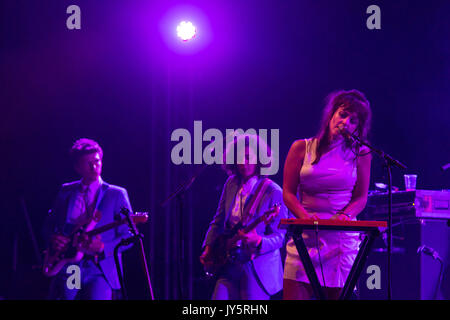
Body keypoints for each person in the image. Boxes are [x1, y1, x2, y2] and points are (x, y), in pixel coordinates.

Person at [282, 89, 372, 300]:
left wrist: (345, 216)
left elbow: (361, 198)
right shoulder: (300, 147)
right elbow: (288, 192)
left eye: (353, 120)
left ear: (358, 127)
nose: (346, 122)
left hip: (340, 238)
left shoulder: (361, 153)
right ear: (331, 114)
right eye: (343, 114)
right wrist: (303, 216)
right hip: (305, 235)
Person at [200, 134, 288, 300]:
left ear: (259, 159)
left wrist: (260, 241)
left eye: (248, 157)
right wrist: (208, 247)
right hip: (229, 260)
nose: (243, 162)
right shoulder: (231, 184)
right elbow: (218, 220)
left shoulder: (273, 191)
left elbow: (280, 237)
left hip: (257, 266)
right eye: (239, 157)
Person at [44, 138, 133, 300]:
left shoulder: (116, 194)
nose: (94, 167)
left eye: (97, 161)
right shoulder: (66, 191)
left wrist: (104, 247)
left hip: (100, 268)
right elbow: (49, 225)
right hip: (71, 265)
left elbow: (130, 236)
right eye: (87, 163)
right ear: (77, 167)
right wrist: (53, 238)